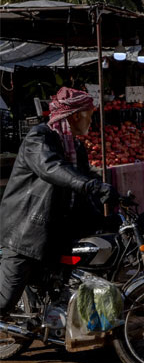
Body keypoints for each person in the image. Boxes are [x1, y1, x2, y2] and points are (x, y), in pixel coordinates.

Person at [0, 87, 120, 315]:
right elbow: (52, 168)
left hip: (57, 230)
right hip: (25, 232)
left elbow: (84, 179)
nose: (92, 120)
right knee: (4, 302)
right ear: (75, 115)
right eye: (89, 114)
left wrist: (111, 199)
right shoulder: (39, 138)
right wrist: (91, 185)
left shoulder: (75, 146)